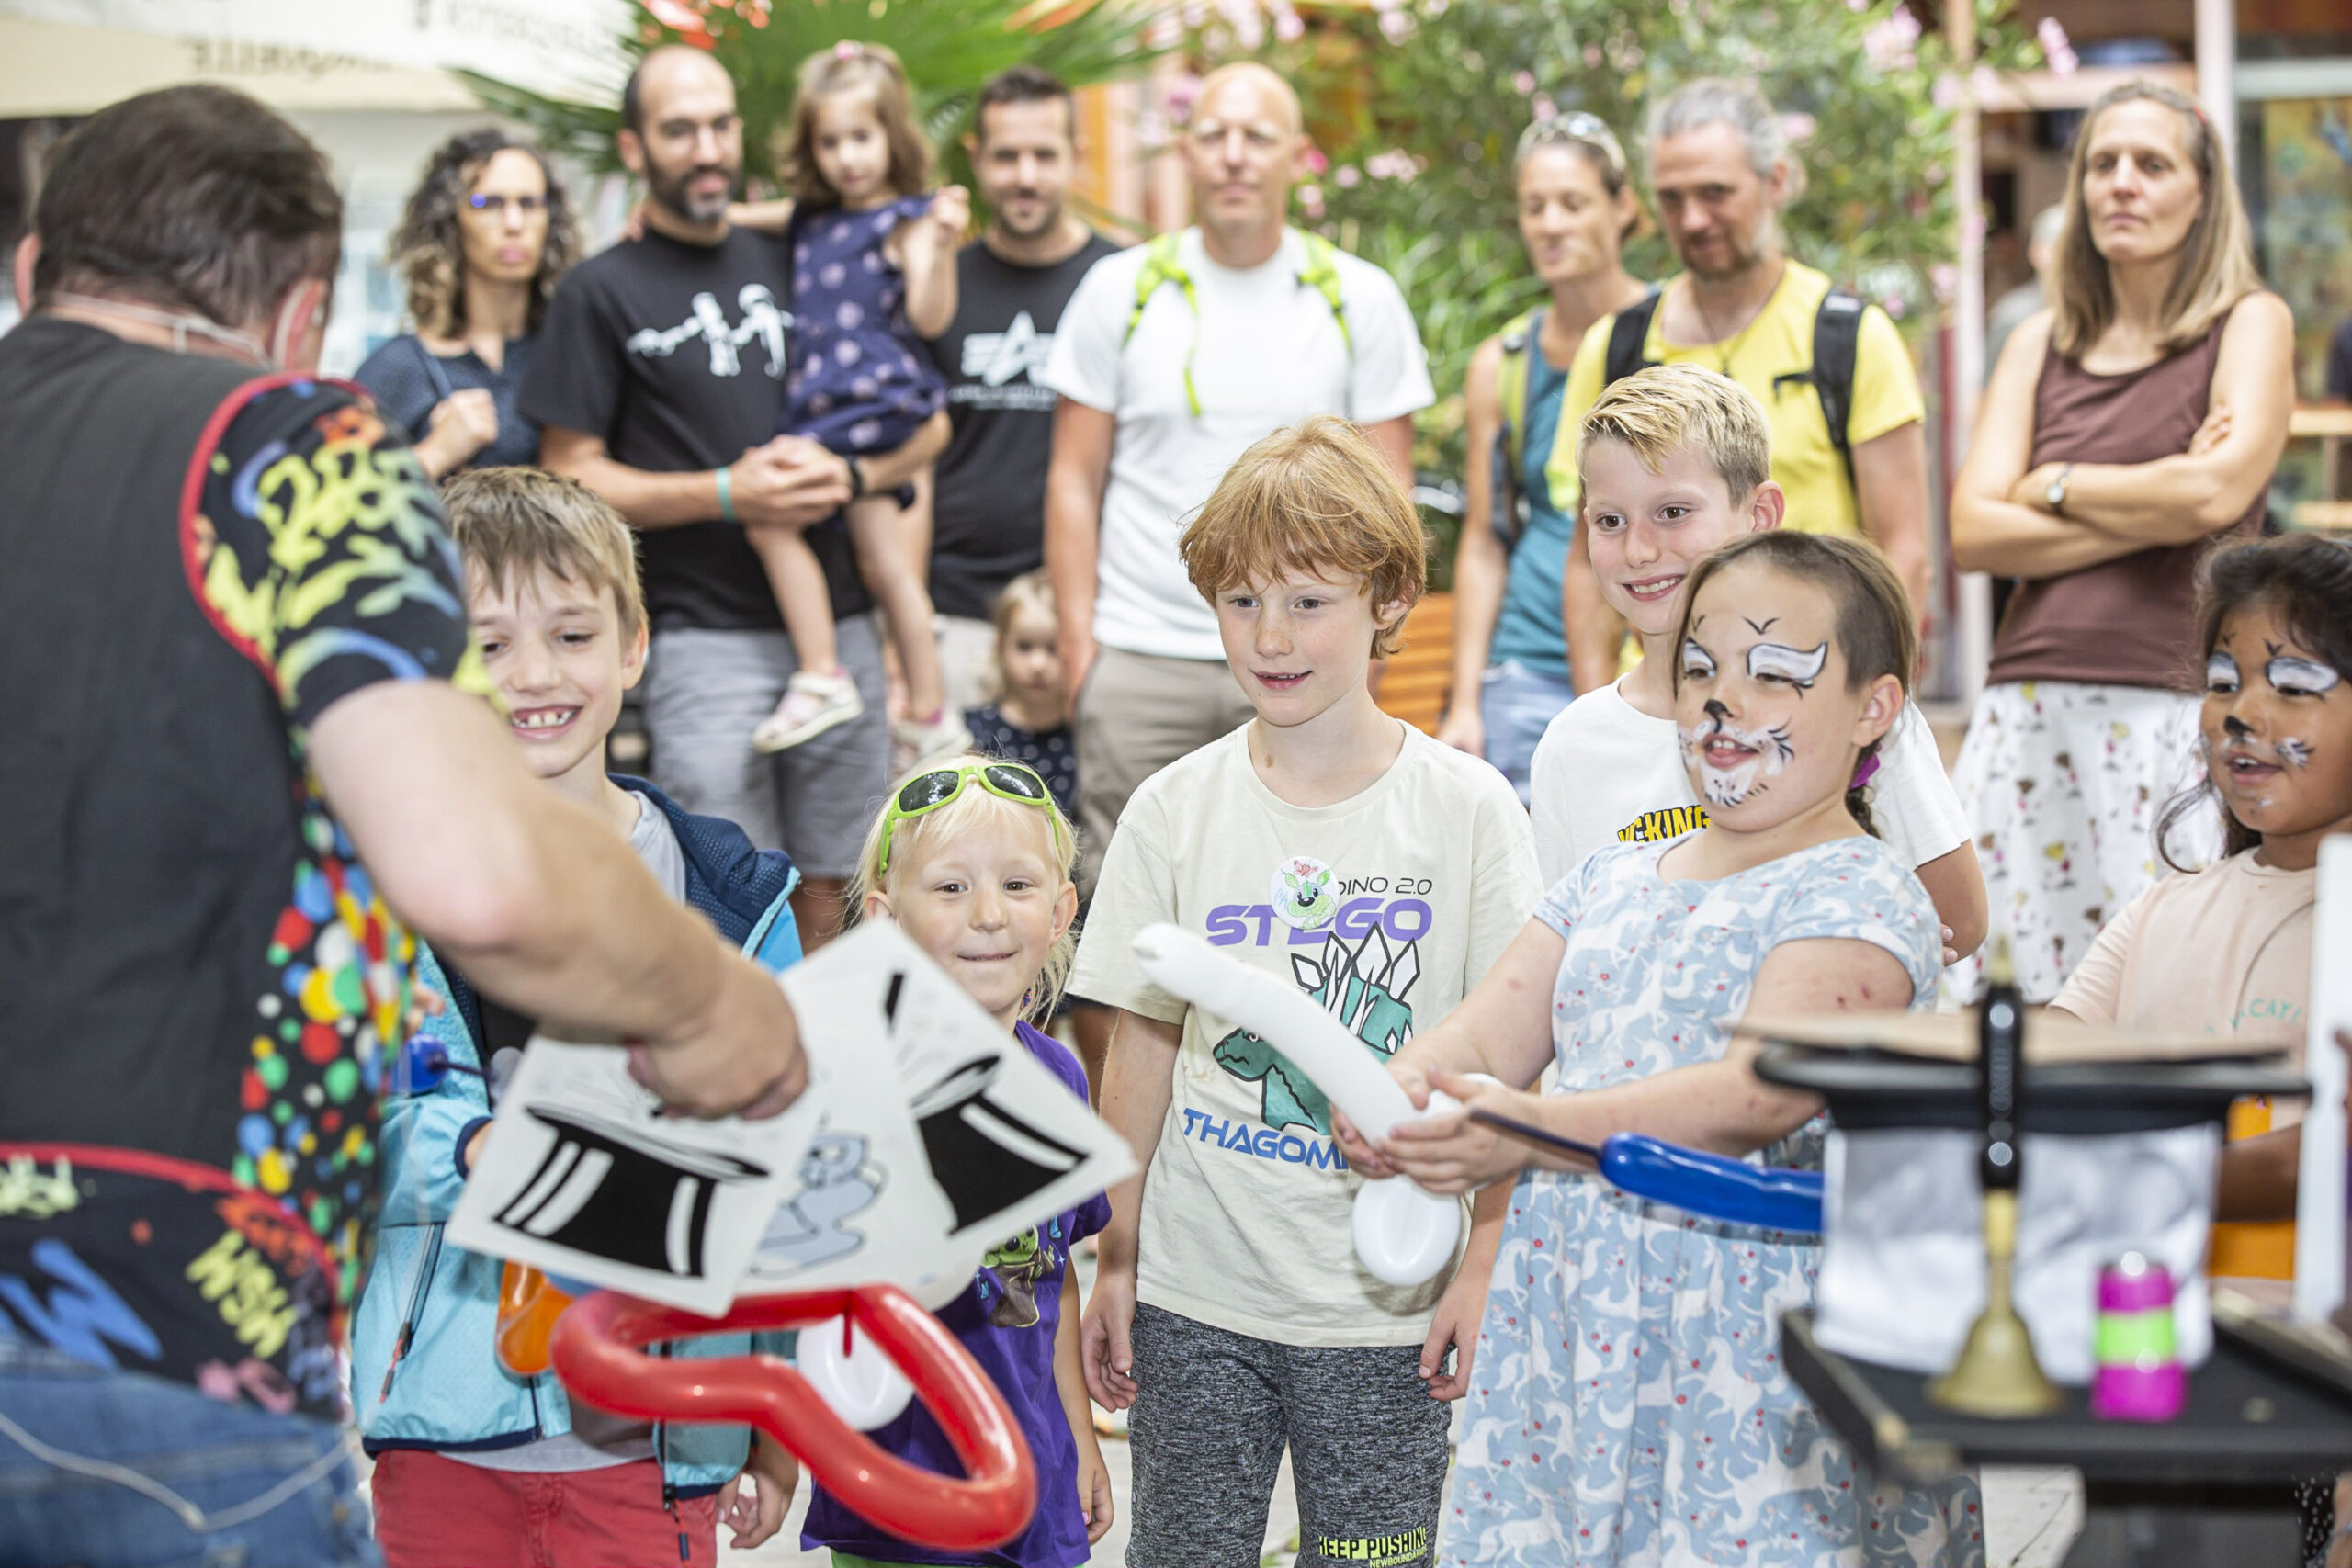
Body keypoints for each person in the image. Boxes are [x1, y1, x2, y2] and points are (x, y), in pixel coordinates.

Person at [0, 86, 804, 1568]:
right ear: (304, 316)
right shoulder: (289, 441)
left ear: (35, 261)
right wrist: (714, 998)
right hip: (154, 1310)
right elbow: (469, 867)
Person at [1346, 531, 1982, 1568]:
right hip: (1574, 1335)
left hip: (1755, 1358)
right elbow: (1485, 1033)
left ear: (1875, 708)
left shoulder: (1862, 889)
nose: (1724, 701)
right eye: (1702, 667)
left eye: (1773, 673)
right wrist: (1393, 1090)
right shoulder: (1612, 875)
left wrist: (1518, 1132)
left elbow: (1756, 1094)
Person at [1071, 418, 1538, 1568]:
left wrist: (1482, 1266)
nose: (1269, 637)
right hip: (1196, 1296)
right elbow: (1135, 1051)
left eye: (1307, 601)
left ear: (1386, 600)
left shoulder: (1471, 809)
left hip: (1383, 1307)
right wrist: (1114, 1261)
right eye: (1240, 603)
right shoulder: (1172, 808)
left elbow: (1510, 1064)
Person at [357, 468, 803, 1564]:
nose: (534, 677)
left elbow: (793, 1174)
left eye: (570, 634)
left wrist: (778, 1419)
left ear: (634, 646)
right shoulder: (377, 896)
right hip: (442, 1433)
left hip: (656, 1442)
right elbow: (330, 1125)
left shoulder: (736, 902)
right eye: (488, 645)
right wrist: (475, 1148)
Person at [526, 46, 944, 949]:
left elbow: (928, 418)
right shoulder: (600, 289)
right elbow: (570, 475)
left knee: (851, 886)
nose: (708, 147)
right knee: (722, 892)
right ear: (635, 148)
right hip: (703, 639)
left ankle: (833, 1078)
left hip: (842, 629)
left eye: (721, 126)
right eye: (681, 131)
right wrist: (726, 492)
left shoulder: (805, 247)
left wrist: (854, 477)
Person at [1041, 60, 1435, 903]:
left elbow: (1391, 501)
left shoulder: (1357, 299)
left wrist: (1372, 650)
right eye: (1212, 135)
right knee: (1124, 904)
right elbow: (1073, 481)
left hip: (1311, 655)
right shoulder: (1120, 291)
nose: (1233, 155)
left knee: (1307, 897)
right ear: (1184, 152)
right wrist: (1085, 650)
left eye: (1256, 137)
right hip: (1141, 650)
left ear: (1297, 157)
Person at [1949, 77, 2294, 1002]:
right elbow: (1974, 532)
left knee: (2158, 991)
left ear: (2201, 192)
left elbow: (2217, 495)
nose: (2121, 184)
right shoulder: (2036, 341)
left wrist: (2051, 487)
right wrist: (2161, 498)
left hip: (2171, 711)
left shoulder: (2248, 323)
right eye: (2101, 164)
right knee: (2007, 1000)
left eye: (2151, 164)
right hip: (2025, 711)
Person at [1530, 366, 1986, 959]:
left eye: (1673, 513)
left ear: (1761, 515)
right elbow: (1563, 961)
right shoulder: (1573, 746)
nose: (1639, 550)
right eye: (1609, 521)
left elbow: (1961, 919)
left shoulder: (1851, 707)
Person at [800, 754, 1113, 1568]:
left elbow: (1056, 1270)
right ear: (885, 917)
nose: (987, 915)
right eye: (949, 888)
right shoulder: (852, 1075)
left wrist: (1079, 1435)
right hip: (899, 1480)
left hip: (1031, 1477)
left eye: (1017, 885)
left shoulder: (1062, 1076)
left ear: (1060, 910)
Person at [1549, 76, 1933, 682]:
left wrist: (1857, 710)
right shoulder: (1617, 346)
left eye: (1715, 192)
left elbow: (1903, 551)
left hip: (1810, 691)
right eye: (1671, 199)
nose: (1693, 218)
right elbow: (1584, 558)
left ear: (1775, 180)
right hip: (1660, 695)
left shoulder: (1849, 338)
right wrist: (1600, 713)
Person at [2048, 533, 2352, 1277]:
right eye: (2223, 682)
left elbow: (2310, 1166)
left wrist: (2110, 1178)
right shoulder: (2160, 912)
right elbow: (2051, 1067)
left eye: (2293, 685)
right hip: (2153, 1333)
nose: (2242, 715)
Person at [746, 42, 967, 761]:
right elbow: (751, 219)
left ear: (893, 138)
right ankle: (928, 715)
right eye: (830, 141)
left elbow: (931, 316)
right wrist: (663, 219)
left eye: (862, 138)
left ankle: (823, 673)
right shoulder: (812, 219)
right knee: (883, 566)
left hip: (869, 404)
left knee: (771, 516)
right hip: (831, 407)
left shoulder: (904, 221)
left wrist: (940, 243)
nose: (847, 157)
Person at [1435, 113, 1649, 800]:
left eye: (1573, 203)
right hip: (1525, 670)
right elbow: (1484, 538)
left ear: (1623, 207)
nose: (1551, 224)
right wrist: (1465, 700)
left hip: (1648, 661)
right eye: (1535, 207)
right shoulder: (1503, 363)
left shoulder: (1674, 336)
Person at [923, 65, 1118, 719]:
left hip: (1092, 616)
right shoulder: (938, 288)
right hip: (957, 618)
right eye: (1007, 156)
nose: (1026, 175)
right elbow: (911, 459)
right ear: (976, 159)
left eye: (1044, 154)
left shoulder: (1122, 284)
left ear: (1076, 158)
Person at [354, 129, 577, 477]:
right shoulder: (402, 368)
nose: (514, 224)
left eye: (530, 203)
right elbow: (339, 501)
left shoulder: (574, 351)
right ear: (450, 221)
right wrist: (434, 453)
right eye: (488, 203)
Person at [962, 571, 1077, 820]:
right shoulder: (974, 733)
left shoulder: (1082, 737)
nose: (1038, 664)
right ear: (1001, 647)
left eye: (1052, 648)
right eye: (1024, 646)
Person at [1985, 203, 2065, 379]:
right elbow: (1989, 387)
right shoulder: (2012, 315)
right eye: (2055, 247)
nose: (2064, 258)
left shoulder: (2098, 313)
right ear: (2035, 251)